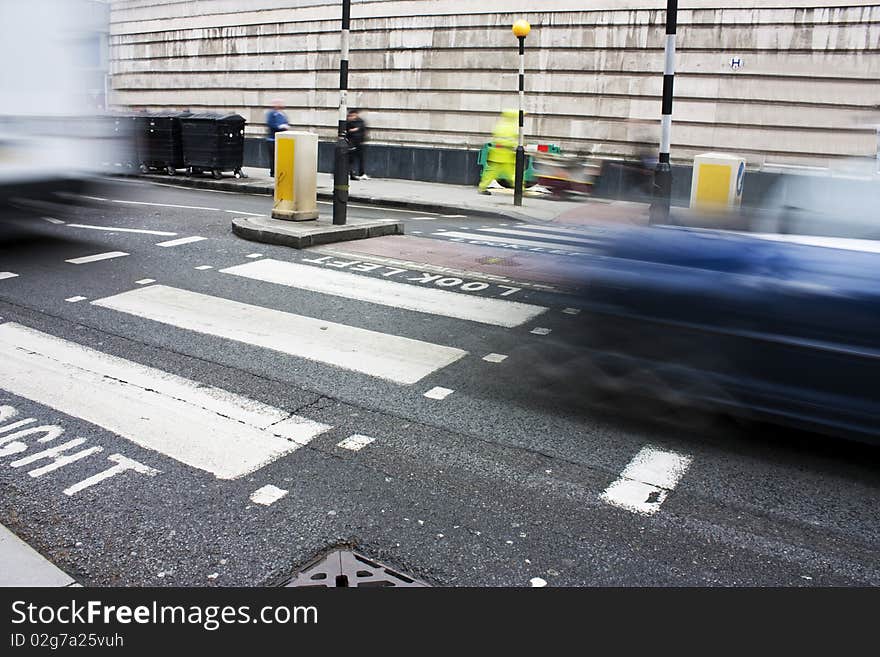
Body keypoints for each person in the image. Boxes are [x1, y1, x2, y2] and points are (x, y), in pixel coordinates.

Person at [478, 109, 521, 195]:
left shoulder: (501, 126)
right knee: (514, 174)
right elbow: (507, 141)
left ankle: (482, 188)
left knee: (490, 173)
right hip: (505, 155)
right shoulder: (510, 127)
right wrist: (515, 145)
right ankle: (521, 190)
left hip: (498, 155)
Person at [265, 99, 290, 178]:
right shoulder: (271, 114)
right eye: (279, 103)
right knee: (273, 157)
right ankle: (273, 172)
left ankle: (279, 171)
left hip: (281, 139)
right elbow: (271, 124)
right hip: (272, 139)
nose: (282, 105)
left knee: (279, 157)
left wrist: (285, 126)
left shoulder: (282, 114)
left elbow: (286, 122)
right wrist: (280, 126)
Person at [346, 109, 369, 180]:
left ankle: (361, 173)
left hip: (359, 143)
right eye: (352, 115)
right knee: (350, 160)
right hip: (352, 143)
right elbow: (347, 132)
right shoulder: (348, 122)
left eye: (354, 115)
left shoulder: (360, 121)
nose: (353, 117)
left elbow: (363, 130)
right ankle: (351, 174)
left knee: (361, 159)